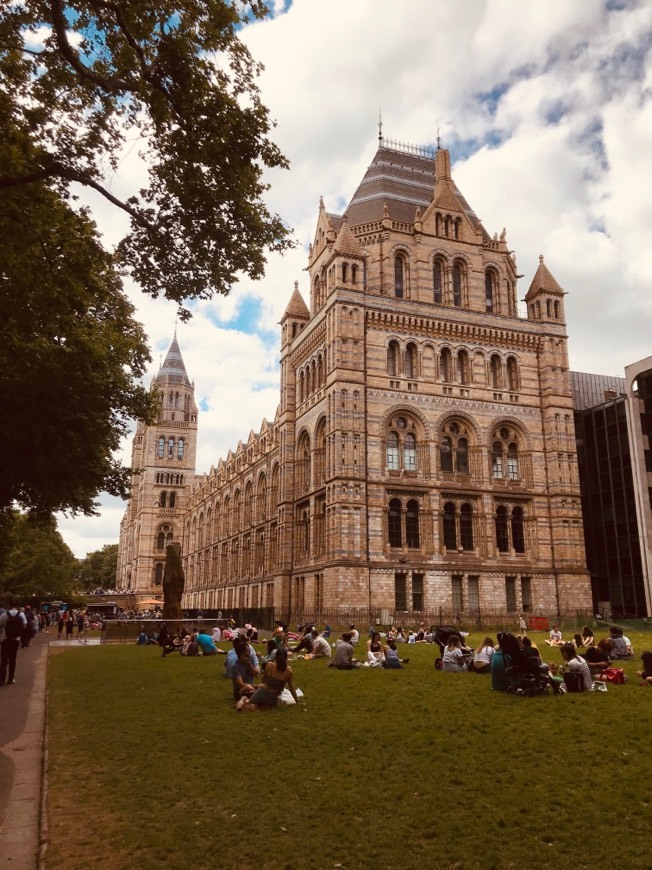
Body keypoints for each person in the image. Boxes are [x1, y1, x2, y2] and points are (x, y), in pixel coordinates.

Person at [0, 603, 27, 686]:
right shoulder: (21, 614)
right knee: (13, 659)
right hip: (16, 639)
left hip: (5, 639)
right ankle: (11, 679)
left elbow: (0, 625)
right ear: (18, 606)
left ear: (9, 606)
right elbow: (25, 626)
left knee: (3, 660)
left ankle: (2, 680)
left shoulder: (4, 615)